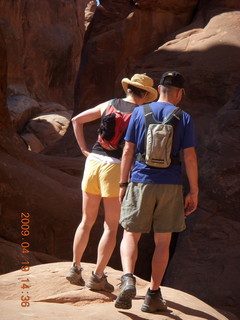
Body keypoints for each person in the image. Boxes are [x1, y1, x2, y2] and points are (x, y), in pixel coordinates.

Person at [115, 71, 198, 312]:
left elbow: (128, 150)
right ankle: (153, 294)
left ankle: (128, 278)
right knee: (163, 241)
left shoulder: (139, 112)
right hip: (171, 184)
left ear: (159, 89)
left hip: (141, 180)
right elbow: (189, 157)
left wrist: (123, 184)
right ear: (180, 94)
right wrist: (193, 190)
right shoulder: (184, 117)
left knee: (131, 233)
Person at [66, 74, 158, 293]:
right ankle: (97, 276)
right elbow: (135, 149)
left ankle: (75, 268)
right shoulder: (141, 114)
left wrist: (84, 150)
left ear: (129, 89)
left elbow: (76, 120)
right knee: (110, 225)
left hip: (93, 163)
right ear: (144, 94)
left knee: (86, 221)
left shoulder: (110, 104)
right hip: (114, 168)